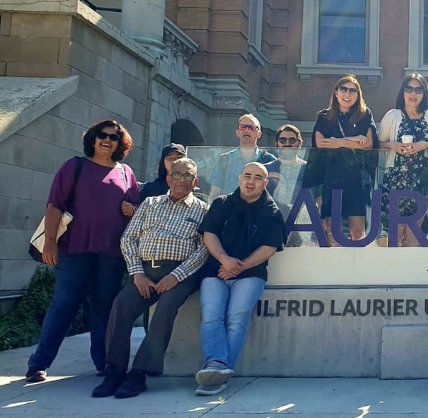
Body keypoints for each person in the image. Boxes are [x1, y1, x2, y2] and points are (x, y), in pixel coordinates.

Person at [26, 119, 140, 383]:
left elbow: (136, 211)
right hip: (74, 250)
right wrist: (51, 243)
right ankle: (39, 364)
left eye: (114, 137)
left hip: (111, 254)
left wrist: (131, 210)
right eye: (103, 135)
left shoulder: (126, 173)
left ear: (120, 144)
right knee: (64, 305)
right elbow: (55, 206)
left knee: (104, 308)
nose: (107, 140)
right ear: (93, 138)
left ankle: (103, 363)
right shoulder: (74, 166)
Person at [92, 158, 209, 398]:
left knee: (166, 307)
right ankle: (114, 370)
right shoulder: (150, 204)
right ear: (168, 178)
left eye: (188, 176)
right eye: (177, 174)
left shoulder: (203, 209)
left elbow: (203, 249)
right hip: (144, 271)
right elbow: (128, 238)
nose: (181, 180)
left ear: (195, 182)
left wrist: (176, 276)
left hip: (180, 273)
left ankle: (139, 373)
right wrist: (137, 273)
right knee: (121, 306)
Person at [194, 162, 286, 395]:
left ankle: (218, 373)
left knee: (237, 317)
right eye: (247, 176)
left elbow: (269, 248)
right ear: (239, 178)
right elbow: (209, 234)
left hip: (251, 274)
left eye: (257, 178)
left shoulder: (272, 211)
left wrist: (238, 266)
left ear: (265, 184)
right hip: (215, 271)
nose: (251, 181)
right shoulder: (221, 203)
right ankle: (216, 365)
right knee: (211, 315)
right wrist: (225, 260)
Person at [313, 75, 377, 244]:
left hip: (357, 179)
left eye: (352, 91)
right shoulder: (324, 116)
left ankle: (357, 268)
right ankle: (335, 269)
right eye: (344, 89)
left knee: (358, 231)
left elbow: (368, 144)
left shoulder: (365, 115)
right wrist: (354, 140)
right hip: (332, 177)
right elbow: (321, 143)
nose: (347, 94)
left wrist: (337, 142)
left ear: (358, 95)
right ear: (336, 93)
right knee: (333, 232)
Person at [378, 73, 428, 247]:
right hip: (396, 180)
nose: (413, 94)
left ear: (424, 93)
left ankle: (411, 273)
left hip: (423, 181)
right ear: (403, 92)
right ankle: (394, 273)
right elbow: (378, 144)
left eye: (418, 90)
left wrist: (424, 145)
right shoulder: (393, 115)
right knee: (395, 234)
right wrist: (393, 145)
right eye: (409, 89)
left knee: (415, 234)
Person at [208, 114, 277, 201]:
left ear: (259, 134)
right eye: (243, 127)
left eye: (251, 127)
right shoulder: (225, 159)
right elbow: (214, 192)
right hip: (229, 210)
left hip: (257, 211)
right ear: (237, 132)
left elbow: (274, 193)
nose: (247, 130)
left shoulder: (269, 160)